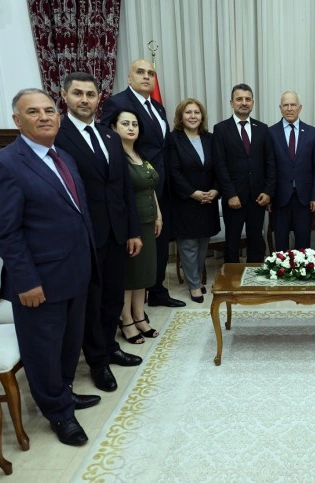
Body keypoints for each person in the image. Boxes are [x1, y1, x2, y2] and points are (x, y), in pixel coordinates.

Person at [0, 88, 99, 446]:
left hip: (75, 271)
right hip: (40, 280)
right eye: (33, 112)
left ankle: (64, 392)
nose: (44, 116)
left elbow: (78, 214)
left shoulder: (63, 157)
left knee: (68, 343)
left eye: (49, 110)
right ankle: (58, 413)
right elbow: (6, 233)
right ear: (17, 121)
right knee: (43, 349)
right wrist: (26, 281)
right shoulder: (4, 164)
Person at [56, 72, 143, 393]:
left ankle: (109, 346)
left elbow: (124, 188)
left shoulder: (109, 136)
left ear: (98, 99)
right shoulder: (58, 136)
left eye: (90, 94)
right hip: (84, 237)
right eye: (78, 93)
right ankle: (97, 361)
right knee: (91, 301)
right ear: (64, 96)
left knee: (112, 296)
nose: (85, 100)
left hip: (117, 233)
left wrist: (133, 230)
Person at [101, 59, 186, 308]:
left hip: (160, 184)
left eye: (151, 73)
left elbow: (162, 146)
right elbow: (109, 143)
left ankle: (157, 290)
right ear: (130, 78)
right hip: (134, 184)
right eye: (140, 72)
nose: (146, 76)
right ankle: (132, 305)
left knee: (159, 244)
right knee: (138, 246)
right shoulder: (117, 103)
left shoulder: (157, 107)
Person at [110, 109, 163, 340]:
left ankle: (140, 316)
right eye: (125, 124)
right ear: (113, 128)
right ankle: (126, 320)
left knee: (144, 273)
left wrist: (158, 215)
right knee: (130, 276)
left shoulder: (140, 154)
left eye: (134, 124)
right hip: (131, 225)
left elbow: (151, 188)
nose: (131, 128)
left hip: (149, 221)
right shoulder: (115, 157)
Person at [213, 83, 276, 263]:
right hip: (234, 198)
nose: (244, 103)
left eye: (248, 99)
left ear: (253, 103)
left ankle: (254, 275)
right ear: (231, 103)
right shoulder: (221, 129)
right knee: (232, 242)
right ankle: (231, 277)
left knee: (256, 240)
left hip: (258, 197)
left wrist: (268, 192)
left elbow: (270, 162)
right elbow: (220, 165)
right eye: (239, 99)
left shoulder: (262, 128)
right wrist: (230, 194)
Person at [169, 98, 220, 303]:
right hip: (185, 202)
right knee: (189, 246)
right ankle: (194, 285)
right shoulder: (173, 139)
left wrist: (215, 190)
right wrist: (193, 193)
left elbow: (219, 167)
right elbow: (174, 172)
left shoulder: (210, 138)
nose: (193, 116)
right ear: (181, 116)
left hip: (208, 201)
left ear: (202, 116)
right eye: (188, 112)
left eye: (196, 112)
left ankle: (197, 279)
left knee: (202, 245)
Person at [268, 91, 315, 251]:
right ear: (280, 108)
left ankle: (302, 267)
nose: (289, 108)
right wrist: (268, 195)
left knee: (303, 243)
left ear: (300, 107)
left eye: (293, 105)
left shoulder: (311, 132)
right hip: (279, 197)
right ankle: (282, 267)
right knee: (280, 243)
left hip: (304, 198)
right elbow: (268, 166)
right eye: (285, 105)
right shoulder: (271, 132)